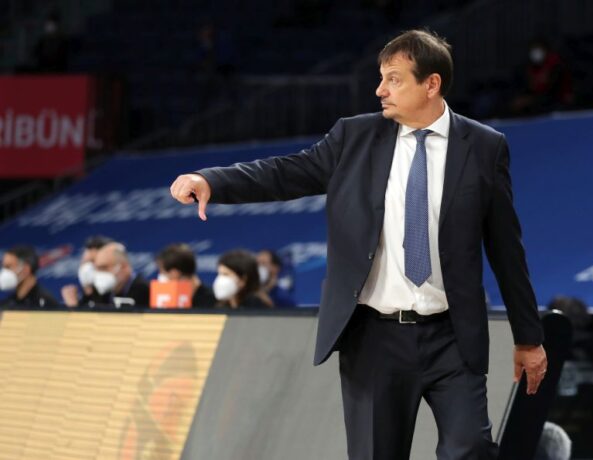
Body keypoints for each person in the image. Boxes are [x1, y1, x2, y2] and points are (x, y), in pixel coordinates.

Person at [171, 29, 547, 459]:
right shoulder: (354, 136)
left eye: (393, 79)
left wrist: (528, 338)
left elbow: (506, 248)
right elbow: (285, 172)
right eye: (381, 78)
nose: (380, 90)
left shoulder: (484, 146)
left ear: (431, 84)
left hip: (453, 337)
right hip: (373, 340)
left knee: (472, 449)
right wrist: (213, 181)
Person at [510, 37, 573, 115]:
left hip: (557, 104)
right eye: (534, 49)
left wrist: (530, 100)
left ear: (546, 50)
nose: (536, 52)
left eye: (539, 48)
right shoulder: (528, 68)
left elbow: (553, 93)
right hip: (537, 104)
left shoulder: (556, 66)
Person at [155, 243, 216, 308]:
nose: (161, 276)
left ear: (174, 273)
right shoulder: (167, 301)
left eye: (163, 272)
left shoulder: (212, 301)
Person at [61, 235, 113, 308]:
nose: (87, 269)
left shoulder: (115, 298)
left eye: (93, 262)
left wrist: (73, 308)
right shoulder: (80, 300)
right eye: (86, 263)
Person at [93, 242, 150, 308]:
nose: (99, 273)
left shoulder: (147, 292)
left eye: (104, 268)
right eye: (97, 269)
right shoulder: (101, 293)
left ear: (123, 267)